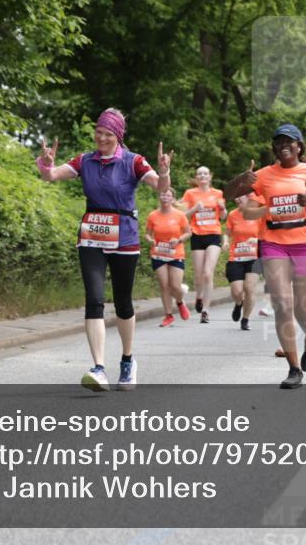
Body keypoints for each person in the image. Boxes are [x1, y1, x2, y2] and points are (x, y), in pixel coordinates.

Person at [36, 108, 172, 391]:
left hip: (124, 237)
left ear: (118, 136)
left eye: (108, 134)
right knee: (94, 299)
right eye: (99, 132)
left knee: (123, 303)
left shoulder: (133, 162)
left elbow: (160, 188)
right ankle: (98, 368)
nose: (101, 137)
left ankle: (127, 360)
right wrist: (46, 165)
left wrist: (164, 172)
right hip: (92, 235)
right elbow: (51, 177)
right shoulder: (85, 160)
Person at [224, 123, 306, 389]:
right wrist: (241, 181)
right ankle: (294, 369)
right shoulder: (263, 175)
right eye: (279, 141)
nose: (284, 145)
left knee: (303, 309)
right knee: (282, 304)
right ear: (274, 147)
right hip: (274, 243)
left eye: (289, 141)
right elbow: (227, 195)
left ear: (299, 146)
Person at [179, 167, 227, 324]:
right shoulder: (190, 193)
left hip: (213, 234)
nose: (202, 175)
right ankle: (199, 296)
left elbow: (223, 216)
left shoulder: (218, 193)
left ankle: (205, 310)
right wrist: (194, 209)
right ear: (196, 177)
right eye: (199, 173)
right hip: (197, 236)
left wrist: (223, 208)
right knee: (199, 276)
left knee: (208, 273)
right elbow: (181, 215)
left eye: (205, 173)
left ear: (210, 176)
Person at [145, 189, 192, 327]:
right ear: (159, 197)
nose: (165, 197)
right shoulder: (153, 215)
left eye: (168, 195)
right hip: (159, 253)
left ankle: (179, 302)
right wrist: (150, 240)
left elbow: (188, 233)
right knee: (164, 285)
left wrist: (178, 240)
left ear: (173, 199)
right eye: (162, 194)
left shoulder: (179, 215)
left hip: (175, 253)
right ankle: (168, 315)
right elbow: (147, 234)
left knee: (175, 286)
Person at [223, 195, 261, 331]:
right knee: (237, 291)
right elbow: (227, 233)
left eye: (241, 197)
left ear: (249, 198)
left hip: (254, 257)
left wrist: (256, 241)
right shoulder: (233, 215)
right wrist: (226, 241)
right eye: (236, 197)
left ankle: (245, 319)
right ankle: (239, 303)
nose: (238, 199)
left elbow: (266, 235)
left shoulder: (258, 214)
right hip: (236, 257)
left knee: (250, 289)